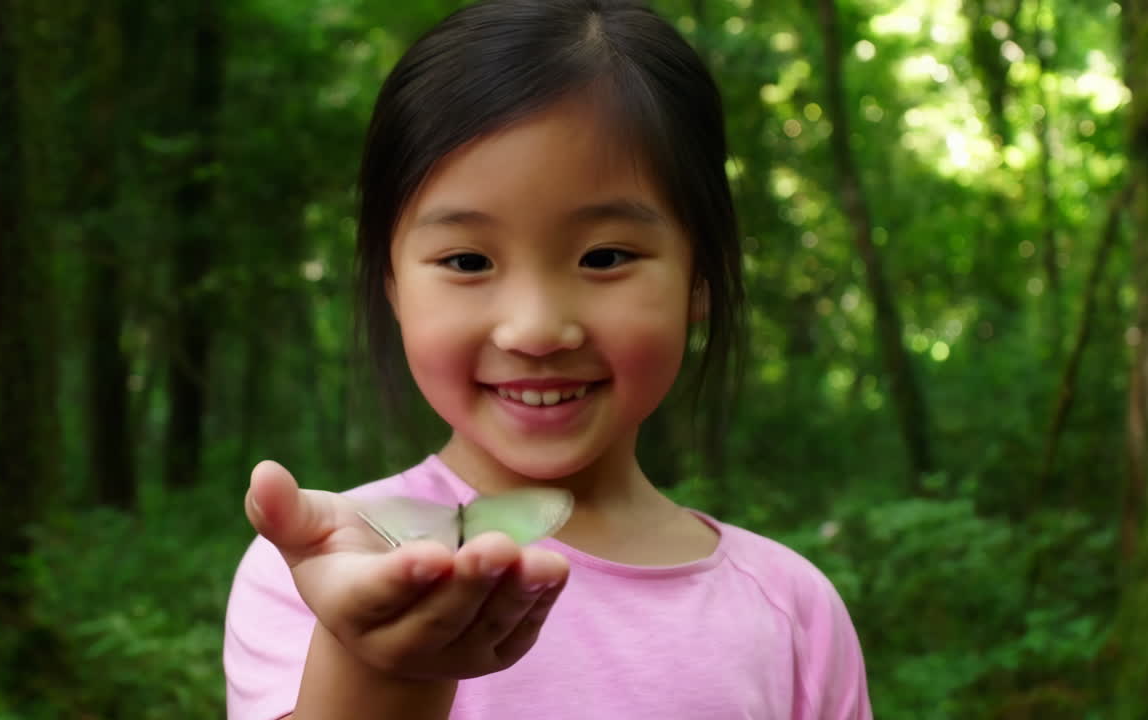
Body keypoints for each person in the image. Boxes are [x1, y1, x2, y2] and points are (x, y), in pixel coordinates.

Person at [224, 1, 873, 718]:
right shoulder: (323, 567)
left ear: (700, 279)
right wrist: (380, 665)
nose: (534, 329)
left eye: (605, 256)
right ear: (394, 287)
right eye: (467, 260)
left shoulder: (790, 611)